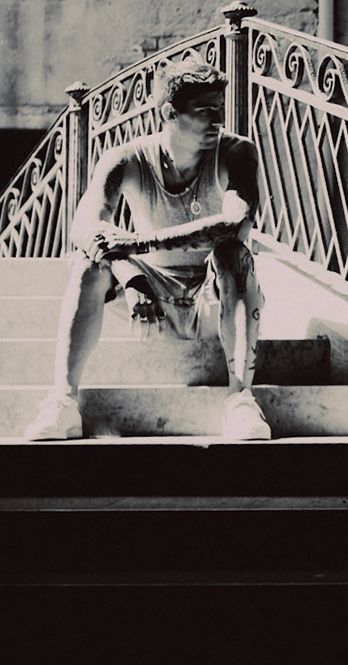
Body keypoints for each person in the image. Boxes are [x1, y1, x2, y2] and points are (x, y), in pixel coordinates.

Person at [24, 57, 272, 440]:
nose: (218, 120)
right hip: (150, 300)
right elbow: (84, 226)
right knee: (87, 262)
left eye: (219, 108)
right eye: (205, 111)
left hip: (212, 299)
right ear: (169, 113)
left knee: (234, 255)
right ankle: (63, 401)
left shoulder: (237, 152)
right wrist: (129, 273)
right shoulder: (126, 159)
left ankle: (241, 400)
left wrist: (139, 244)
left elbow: (235, 223)